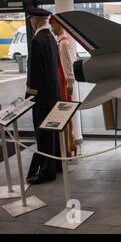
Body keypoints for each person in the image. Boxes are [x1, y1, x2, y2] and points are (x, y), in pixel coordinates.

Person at [25, 6, 61, 184]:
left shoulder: (37, 40)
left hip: (42, 97)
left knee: (43, 133)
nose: (31, 23)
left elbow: (35, 74)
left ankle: (47, 170)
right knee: (53, 130)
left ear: (36, 20)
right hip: (53, 94)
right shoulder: (51, 38)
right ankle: (57, 164)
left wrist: (29, 96)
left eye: (31, 20)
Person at [50, 18, 77, 157]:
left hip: (63, 81)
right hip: (61, 79)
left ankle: (69, 145)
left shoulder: (63, 43)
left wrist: (69, 82)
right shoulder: (60, 42)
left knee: (65, 113)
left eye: (53, 25)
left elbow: (67, 64)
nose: (52, 28)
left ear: (58, 25)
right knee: (64, 113)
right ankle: (68, 144)